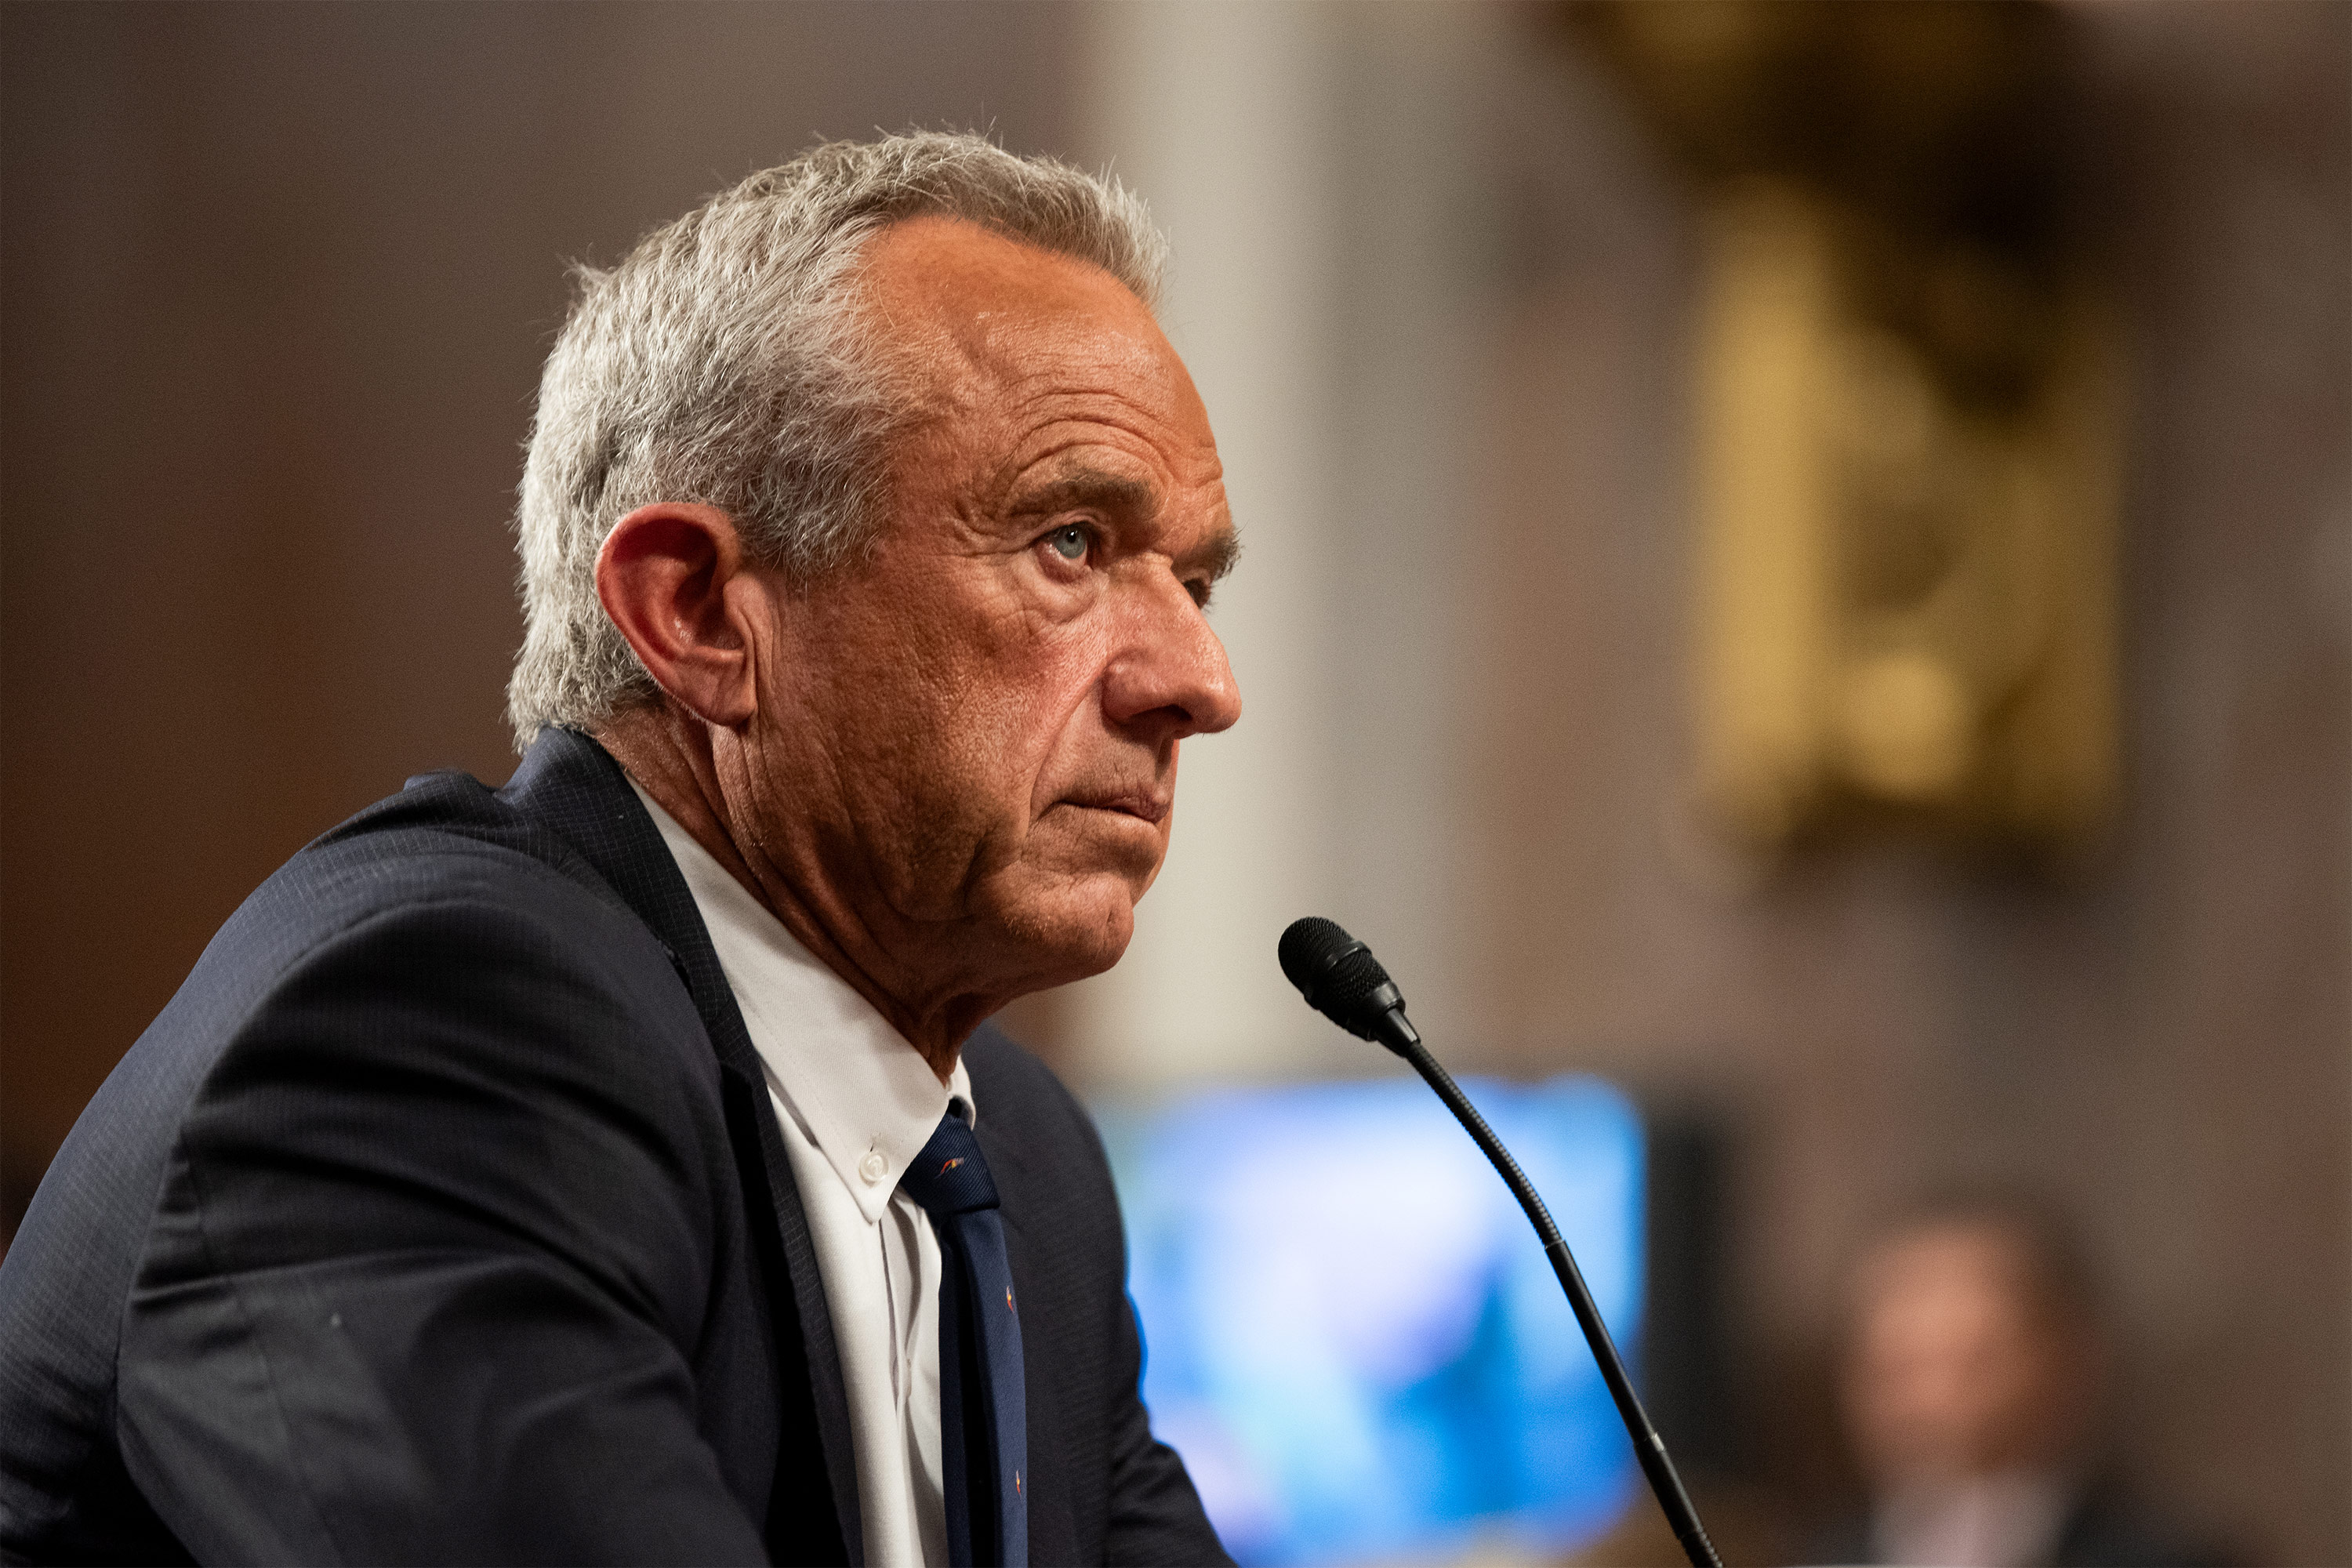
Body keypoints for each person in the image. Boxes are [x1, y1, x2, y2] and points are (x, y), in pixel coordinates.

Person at [0, 132, 1242, 1566]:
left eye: (1195, 581)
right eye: (1073, 543)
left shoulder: (1023, 1167)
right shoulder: (442, 1035)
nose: (1201, 681)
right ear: (705, 615)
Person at [1812, 1196, 2227, 1568]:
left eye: (1970, 1361)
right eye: (1897, 1366)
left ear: (2070, 1361)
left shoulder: (2167, 1556)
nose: (1927, 1400)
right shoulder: (1818, 1556)